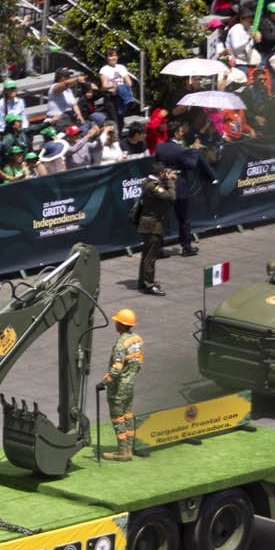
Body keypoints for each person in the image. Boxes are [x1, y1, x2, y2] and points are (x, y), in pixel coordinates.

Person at [97, 309, 143, 462]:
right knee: (128, 415)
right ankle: (129, 448)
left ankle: (122, 451)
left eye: (117, 321)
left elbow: (116, 368)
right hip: (130, 385)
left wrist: (103, 382)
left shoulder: (121, 344)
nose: (115, 323)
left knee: (118, 418)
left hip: (118, 388)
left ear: (122, 325)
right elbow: (139, 363)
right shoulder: (137, 340)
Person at [135, 162, 176, 296]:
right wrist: (170, 181)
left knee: (146, 255)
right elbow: (171, 196)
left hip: (149, 225)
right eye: (164, 172)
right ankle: (149, 284)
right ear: (160, 173)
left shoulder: (150, 183)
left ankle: (143, 281)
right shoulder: (153, 186)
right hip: (152, 226)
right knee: (150, 257)